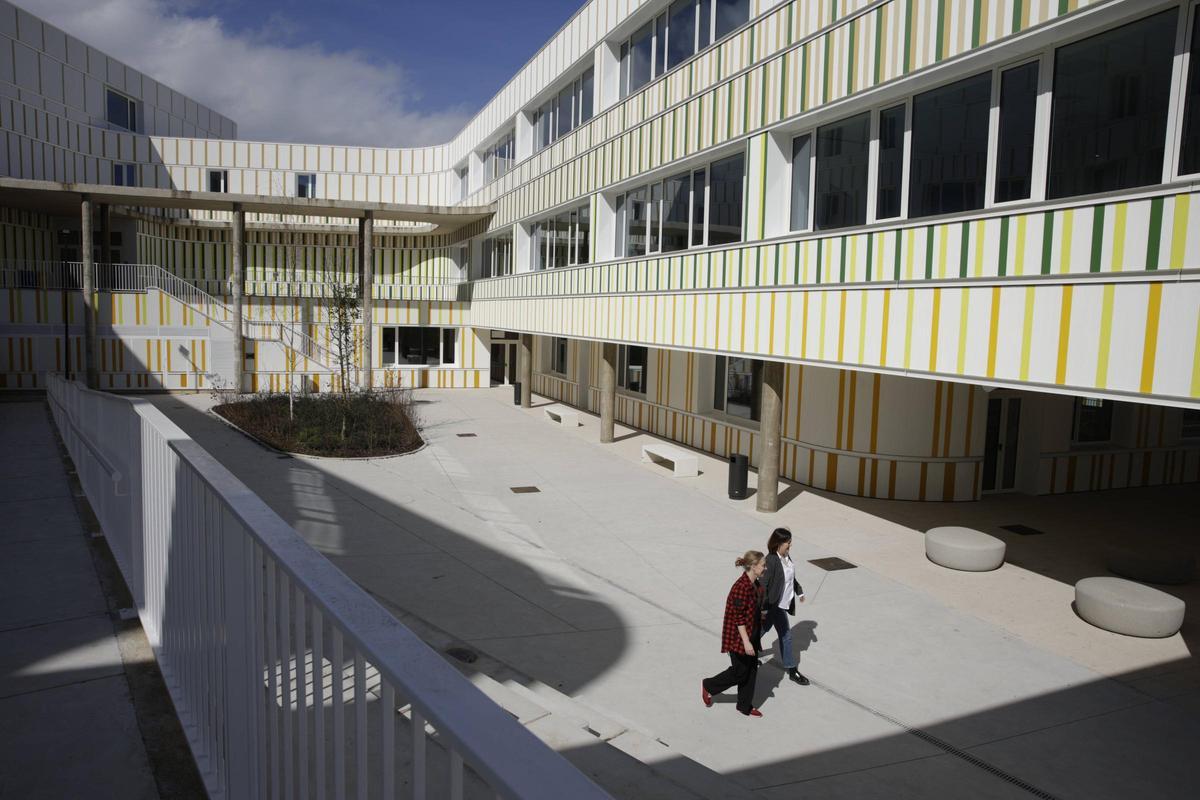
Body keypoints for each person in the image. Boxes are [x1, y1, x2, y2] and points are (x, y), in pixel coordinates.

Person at [701, 551, 767, 717]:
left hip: (751, 634)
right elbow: (739, 619)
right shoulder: (740, 588)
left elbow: (755, 611)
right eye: (763, 565)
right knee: (739, 672)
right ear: (753, 566)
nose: (765, 567)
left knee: (751, 671)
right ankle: (709, 685)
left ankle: (744, 706)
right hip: (738, 638)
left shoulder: (756, 586)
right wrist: (746, 642)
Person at [760, 527, 810, 686]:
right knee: (785, 636)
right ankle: (792, 670)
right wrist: (764, 607)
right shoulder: (771, 560)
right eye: (787, 542)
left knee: (761, 630)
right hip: (773, 605)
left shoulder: (786, 557)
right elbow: (763, 585)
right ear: (778, 543)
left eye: (790, 542)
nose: (790, 545)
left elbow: (790, 578)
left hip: (782, 605)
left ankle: (741, 647)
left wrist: (799, 591)